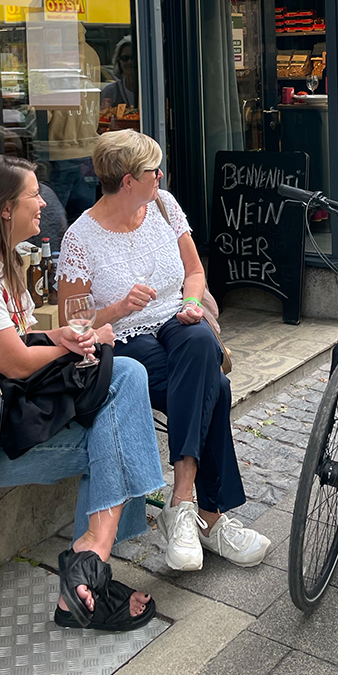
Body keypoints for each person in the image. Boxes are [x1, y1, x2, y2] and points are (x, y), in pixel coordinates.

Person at [0, 154, 165, 631]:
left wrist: (60, 338)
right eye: (32, 194)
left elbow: (20, 344)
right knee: (115, 434)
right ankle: (91, 565)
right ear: (5, 208)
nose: (42, 203)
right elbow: (13, 362)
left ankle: (90, 564)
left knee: (124, 379)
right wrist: (66, 347)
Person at [56, 130, 271, 572]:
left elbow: (195, 271)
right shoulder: (81, 238)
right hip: (126, 339)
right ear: (129, 179)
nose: (161, 176)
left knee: (199, 342)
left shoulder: (164, 205)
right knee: (216, 388)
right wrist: (117, 308)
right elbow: (72, 325)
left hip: (179, 319)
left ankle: (181, 501)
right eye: (154, 170)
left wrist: (192, 304)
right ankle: (209, 517)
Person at [100, 36, 136, 109]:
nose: (130, 62)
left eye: (134, 57)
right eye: (125, 58)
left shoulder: (150, 89)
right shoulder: (110, 91)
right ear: (118, 62)